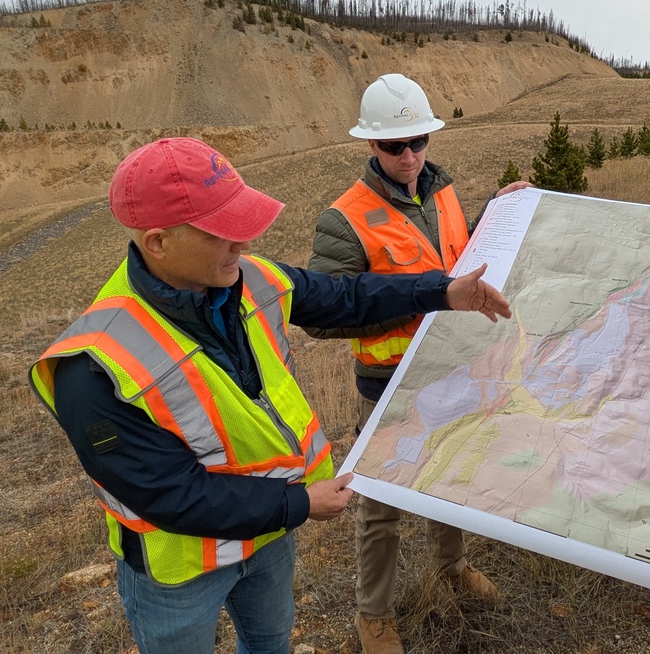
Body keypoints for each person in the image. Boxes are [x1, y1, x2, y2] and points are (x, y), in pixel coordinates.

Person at [27, 137, 511, 654]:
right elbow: (171, 495)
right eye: (222, 230)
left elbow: (345, 297)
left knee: (269, 643)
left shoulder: (248, 276)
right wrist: (298, 502)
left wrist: (441, 291)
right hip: (182, 570)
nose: (244, 241)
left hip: (268, 538)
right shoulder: (93, 366)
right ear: (158, 242)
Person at [305, 73, 530, 654]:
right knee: (380, 504)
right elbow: (322, 313)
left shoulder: (444, 192)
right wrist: (423, 292)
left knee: (448, 473)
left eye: (419, 142)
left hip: (451, 366)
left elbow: (453, 255)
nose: (409, 157)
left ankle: (451, 569)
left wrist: (492, 215)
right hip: (389, 385)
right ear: (371, 147)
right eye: (394, 146)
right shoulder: (344, 219)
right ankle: (373, 616)